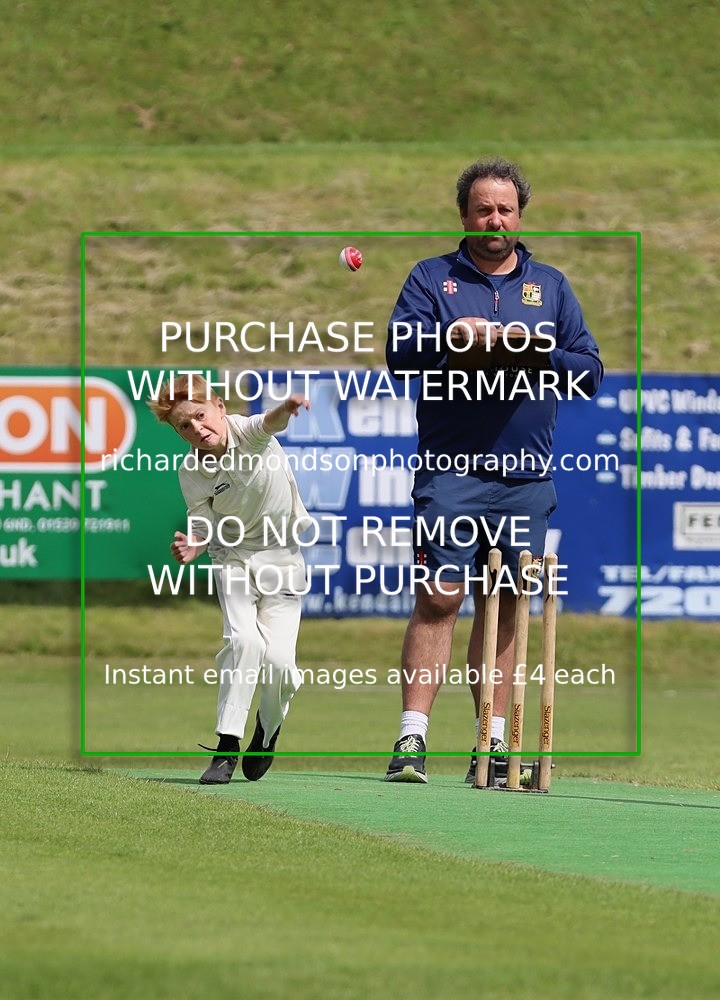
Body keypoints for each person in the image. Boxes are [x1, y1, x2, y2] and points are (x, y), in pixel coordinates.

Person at [384, 157, 603, 783]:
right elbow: (401, 356)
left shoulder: (551, 287)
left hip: (526, 477)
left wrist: (536, 350)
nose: (494, 219)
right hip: (451, 470)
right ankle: (412, 740)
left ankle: (494, 741)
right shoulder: (431, 279)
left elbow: (590, 373)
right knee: (439, 596)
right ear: (464, 215)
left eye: (505, 209)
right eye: (483, 209)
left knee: (506, 606)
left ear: (519, 215)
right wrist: (460, 338)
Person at [149, 374, 311, 784]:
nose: (197, 429)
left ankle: (268, 730)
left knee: (280, 666)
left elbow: (268, 423)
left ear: (219, 407)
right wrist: (197, 545)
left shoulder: (247, 434)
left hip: (283, 560)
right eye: (184, 425)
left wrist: (287, 408)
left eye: (201, 416)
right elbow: (202, 523)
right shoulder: (191, 472)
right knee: (243, 642)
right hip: (235, 559)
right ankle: (226, 746)